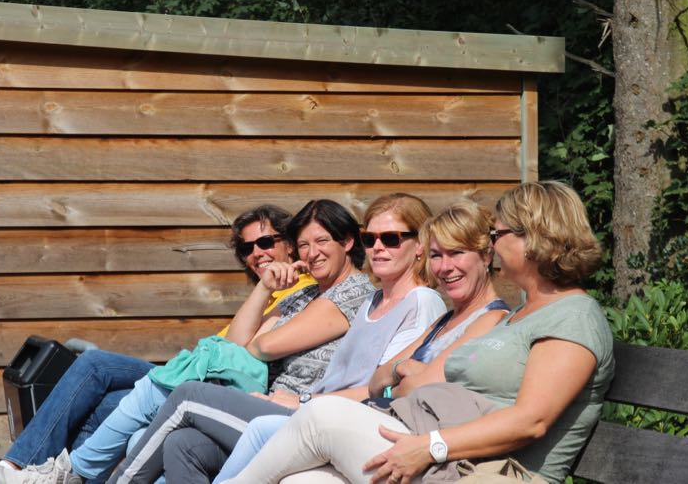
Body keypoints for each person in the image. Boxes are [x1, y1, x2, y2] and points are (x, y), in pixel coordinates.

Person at [223, 181, 614, 484]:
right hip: (450, 455)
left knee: (322, 416)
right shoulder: (521, 316)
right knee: (305, 481)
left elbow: (531, 421)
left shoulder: (572, 317)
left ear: (534, 236)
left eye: (498, 236)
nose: (493, 245)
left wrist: (431, 446)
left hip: (486, 472)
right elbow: (401, 383)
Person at [106, 197, 507, 484]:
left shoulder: (413, 301)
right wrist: (266, 289)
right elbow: (381, 377)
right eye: (371, 239)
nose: (377, 248)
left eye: (390, 239)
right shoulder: (370, 300)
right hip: (319, 411)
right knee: (183, 442)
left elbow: (390, 388)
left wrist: (301, 401)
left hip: (345, 421)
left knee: (180, 393)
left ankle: (86, 471)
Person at [0, 199, 377, 484]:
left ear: (347, 241)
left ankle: (60, 472)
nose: (311, 253)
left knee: (130, 382)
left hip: (262, 399)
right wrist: (264, 288)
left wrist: (261, 322)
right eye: (305, 244)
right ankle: (48, 470)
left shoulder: (346, 292)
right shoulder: (302, 293)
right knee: (144, 421)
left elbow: (259, 347)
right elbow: (243, 343)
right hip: (235, 385)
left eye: (319, 241)